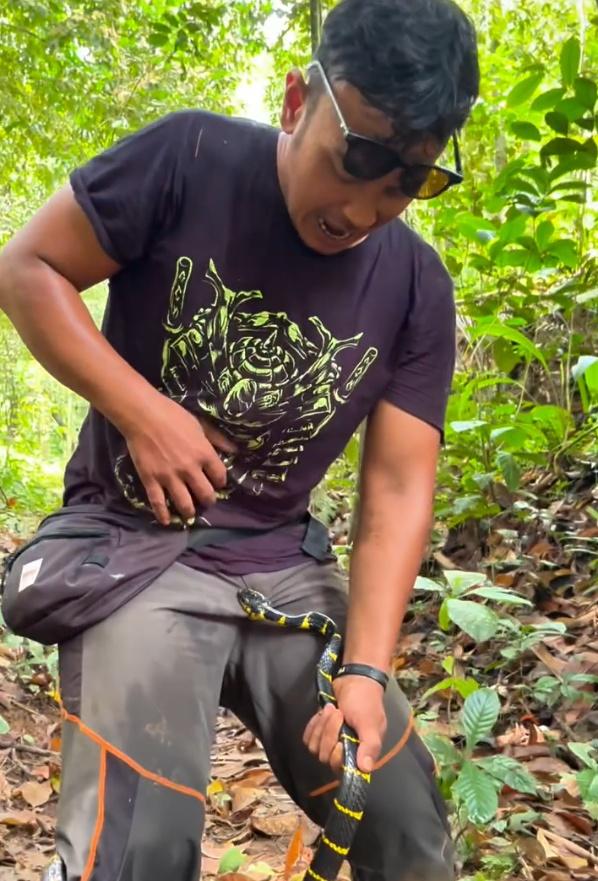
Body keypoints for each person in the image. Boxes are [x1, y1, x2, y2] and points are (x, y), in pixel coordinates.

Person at [0, 0, 479, 878]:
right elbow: (27, 267)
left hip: (280, 566)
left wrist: (366, 673)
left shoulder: (416, 287)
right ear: (299, 100)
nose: (367, 208)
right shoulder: (188, 160)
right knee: (136, 847)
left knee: (405, 827)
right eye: (359, 160)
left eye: (407, 182)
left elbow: (399, 490)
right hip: (133, 544)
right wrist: (144, 413)